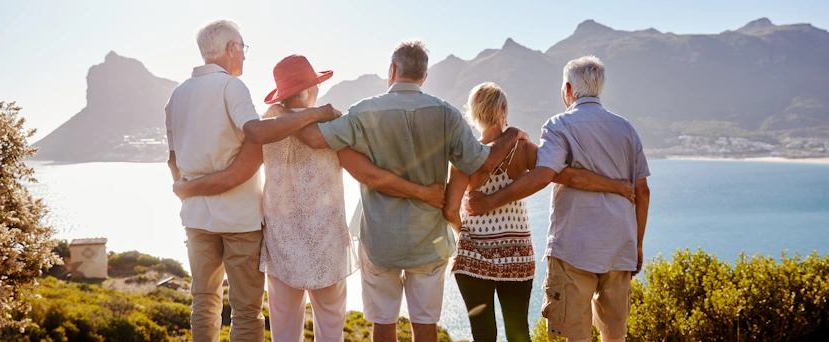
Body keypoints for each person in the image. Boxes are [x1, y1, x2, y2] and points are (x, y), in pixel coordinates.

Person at [173, 55, 445, 342]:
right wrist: (421, 191)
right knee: (330, 332)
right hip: (327, 249)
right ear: (308, 90)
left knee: (285, 334)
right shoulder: (331, 128)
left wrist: (189, 187)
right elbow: (369, 174)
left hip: (282, 248)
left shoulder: (265, 128)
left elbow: (236, 174)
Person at [291, 40, 529, 342]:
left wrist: (285, 111)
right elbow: (483, 160)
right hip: (429, 239)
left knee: (383, 323)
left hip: (379, 239)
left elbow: (313, 139)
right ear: (424, 76)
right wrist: (512, 134)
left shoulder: (363, 112)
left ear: (392, 69)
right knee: (425, 325)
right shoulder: (447, 114)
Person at [164, 20, 339, 342]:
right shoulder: (231, 87)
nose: (244, 56)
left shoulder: (177, 95)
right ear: (231, 48)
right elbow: (256, 134)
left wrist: (187, 189)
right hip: (239, 220)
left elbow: (173, 160)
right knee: (246, 309)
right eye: (243, 48)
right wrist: (315, 114)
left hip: (195, 217)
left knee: (203, 302)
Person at [465, 56, 651, 342]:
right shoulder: (626, 129)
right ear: (599, 88)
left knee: (574, 334)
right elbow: (643, 191)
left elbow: (544, 175)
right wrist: (637, 244)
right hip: (619, 245)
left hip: (572, 248)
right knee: (615, 333)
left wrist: (490, 202)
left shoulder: (559, 125)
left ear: (567, 89)